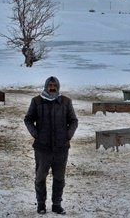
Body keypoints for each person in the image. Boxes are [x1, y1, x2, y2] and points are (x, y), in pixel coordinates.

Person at [24, 76, 78, 215]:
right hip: (42, 148)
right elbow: (28, 119)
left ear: (58, 86)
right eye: (50, 84)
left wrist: (68, 135)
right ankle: (41, 204)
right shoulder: (36, 101)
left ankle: (57, 204)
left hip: (61, 148)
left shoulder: (66, 101)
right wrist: (36, 134)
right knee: (40, 177)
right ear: (46, 86)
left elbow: (73, 121)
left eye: (54, 85)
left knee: (59, 178)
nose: (52, 87)